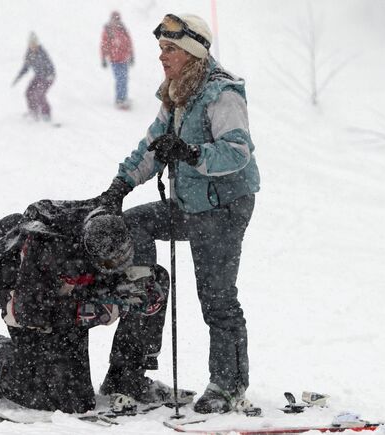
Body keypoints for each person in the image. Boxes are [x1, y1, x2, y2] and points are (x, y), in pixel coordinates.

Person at [98, 13, 260, 414]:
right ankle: (130, 367)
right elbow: (151, 145)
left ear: (191, 53)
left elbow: (237, 153)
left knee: (217, 297)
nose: (162, 56)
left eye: (170, 49)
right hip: (189, 202)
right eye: (160, 49)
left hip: (223, 206)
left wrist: (189, 154)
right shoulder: (176, 93)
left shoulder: (222, 93)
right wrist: (119, 187)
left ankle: (228, 384)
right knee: (133, 223)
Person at [0, 198, 182, 414]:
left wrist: (140, 292)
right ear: (90, 252)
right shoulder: (48, 251)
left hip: (68, 292)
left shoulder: (108, 230)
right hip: (25, 303)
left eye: (125, 257)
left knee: (152, 281)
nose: (120, 266)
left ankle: (125, 380)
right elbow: (27, 313)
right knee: (73, 404)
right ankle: (1, 367)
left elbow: (128, 274)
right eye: (112, 264)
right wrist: (91, 311)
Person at [12, 32, 56, 121]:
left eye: (34, 43)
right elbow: (25, 67)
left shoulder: (42, 53)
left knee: (39, 94)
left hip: (48, 77)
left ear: (37, 43)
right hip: (39, 76)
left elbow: (50, 65)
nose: (33, 46)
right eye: (31, 44)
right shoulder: (29, 54)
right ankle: (33, 111)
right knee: (29, 92)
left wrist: (50, 75)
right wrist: (18, 77)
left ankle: (46, 114)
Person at [100, 11, 135, 110]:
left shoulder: (123, 29)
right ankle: (119, 100)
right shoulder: (108, 31)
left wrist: (131, 55)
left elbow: (129, 43)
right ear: (111, 19)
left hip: (124, 59)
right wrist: (103, 58)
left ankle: (124, 98)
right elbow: (104, 45)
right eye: (115, 19)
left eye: (118, 19)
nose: (116, 21)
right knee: (120, 79)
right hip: (115, 60)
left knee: (124, 79)